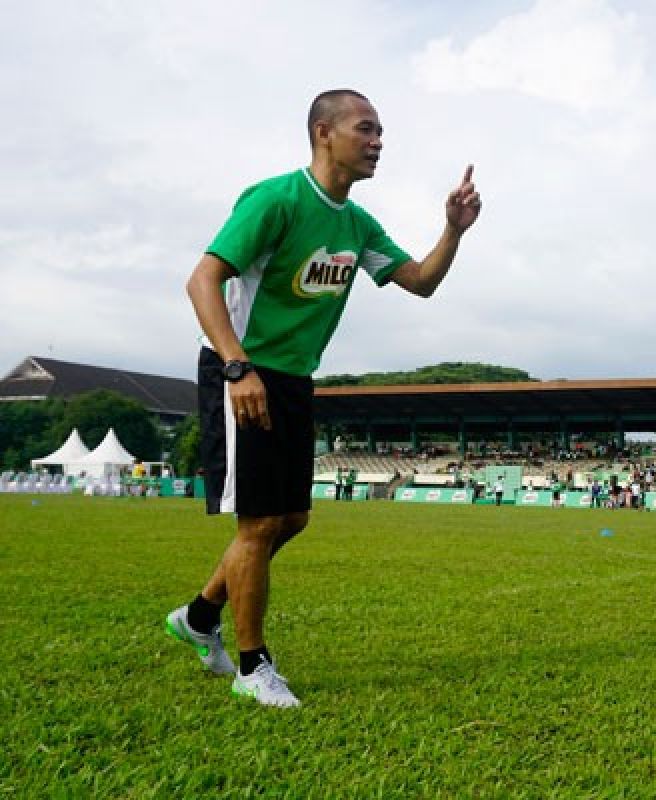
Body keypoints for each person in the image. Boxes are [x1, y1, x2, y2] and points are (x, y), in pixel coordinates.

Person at [164, 88, 481, 708]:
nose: (378, 142)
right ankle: (253, 668)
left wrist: (452, 230)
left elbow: (418, 282)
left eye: (381, 132)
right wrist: (237, 366)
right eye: (366, 129)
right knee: (257, 524)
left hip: (294, 380)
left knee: (292, 518)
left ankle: (200, 615)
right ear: (323, 133)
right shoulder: (275, 199)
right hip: (243, 368)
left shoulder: (356, 225)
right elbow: (203, 279)